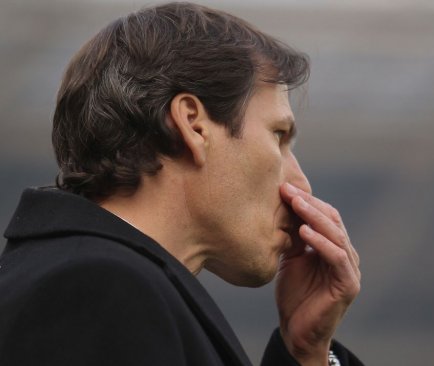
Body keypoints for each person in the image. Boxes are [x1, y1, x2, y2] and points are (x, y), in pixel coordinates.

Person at [0, 2, 362, 365]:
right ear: (193, 125)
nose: (301, 184)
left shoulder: (85, 279)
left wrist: (307, 352)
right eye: (278, 136)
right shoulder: (101, 288)